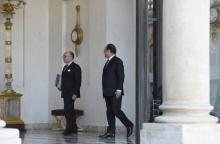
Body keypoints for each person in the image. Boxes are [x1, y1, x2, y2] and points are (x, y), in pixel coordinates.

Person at [99, 44, 134, 138]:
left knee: (115, 109)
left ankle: (129, 125)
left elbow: (121, 76)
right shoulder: (107, 62)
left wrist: (119, 89)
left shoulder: (117, 61)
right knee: (109, 111)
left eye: (105, 50)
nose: (104, 52)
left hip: (115, 92)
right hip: (107, 92)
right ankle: (111, 132)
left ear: (109, 51)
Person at [61, 51, 82, 136]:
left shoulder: (76, 67)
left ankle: (69, 129)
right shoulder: (65, 67)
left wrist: (75, 93)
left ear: (71, 57)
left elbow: (78, 81)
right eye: (64, 56)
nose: (64, 57)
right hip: (65, 93)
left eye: (66, 56)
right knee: (70, 111)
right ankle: (73, 128)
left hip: (72, 93)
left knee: (67, 110)